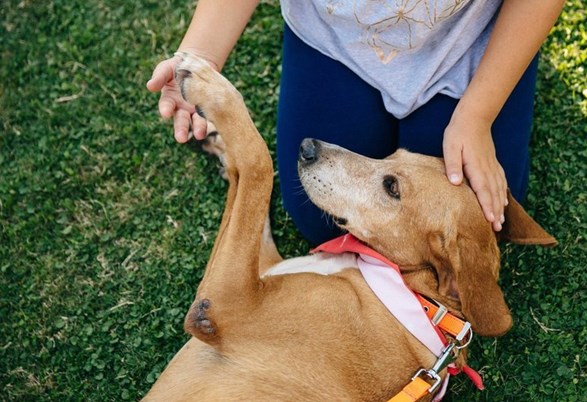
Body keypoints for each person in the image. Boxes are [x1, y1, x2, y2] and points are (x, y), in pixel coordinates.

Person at [147, 0, 565, 245]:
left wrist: (477, 115)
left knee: (473, 222)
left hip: (468, 34)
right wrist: (203, 55)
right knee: (320, 222)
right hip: (338, 35)